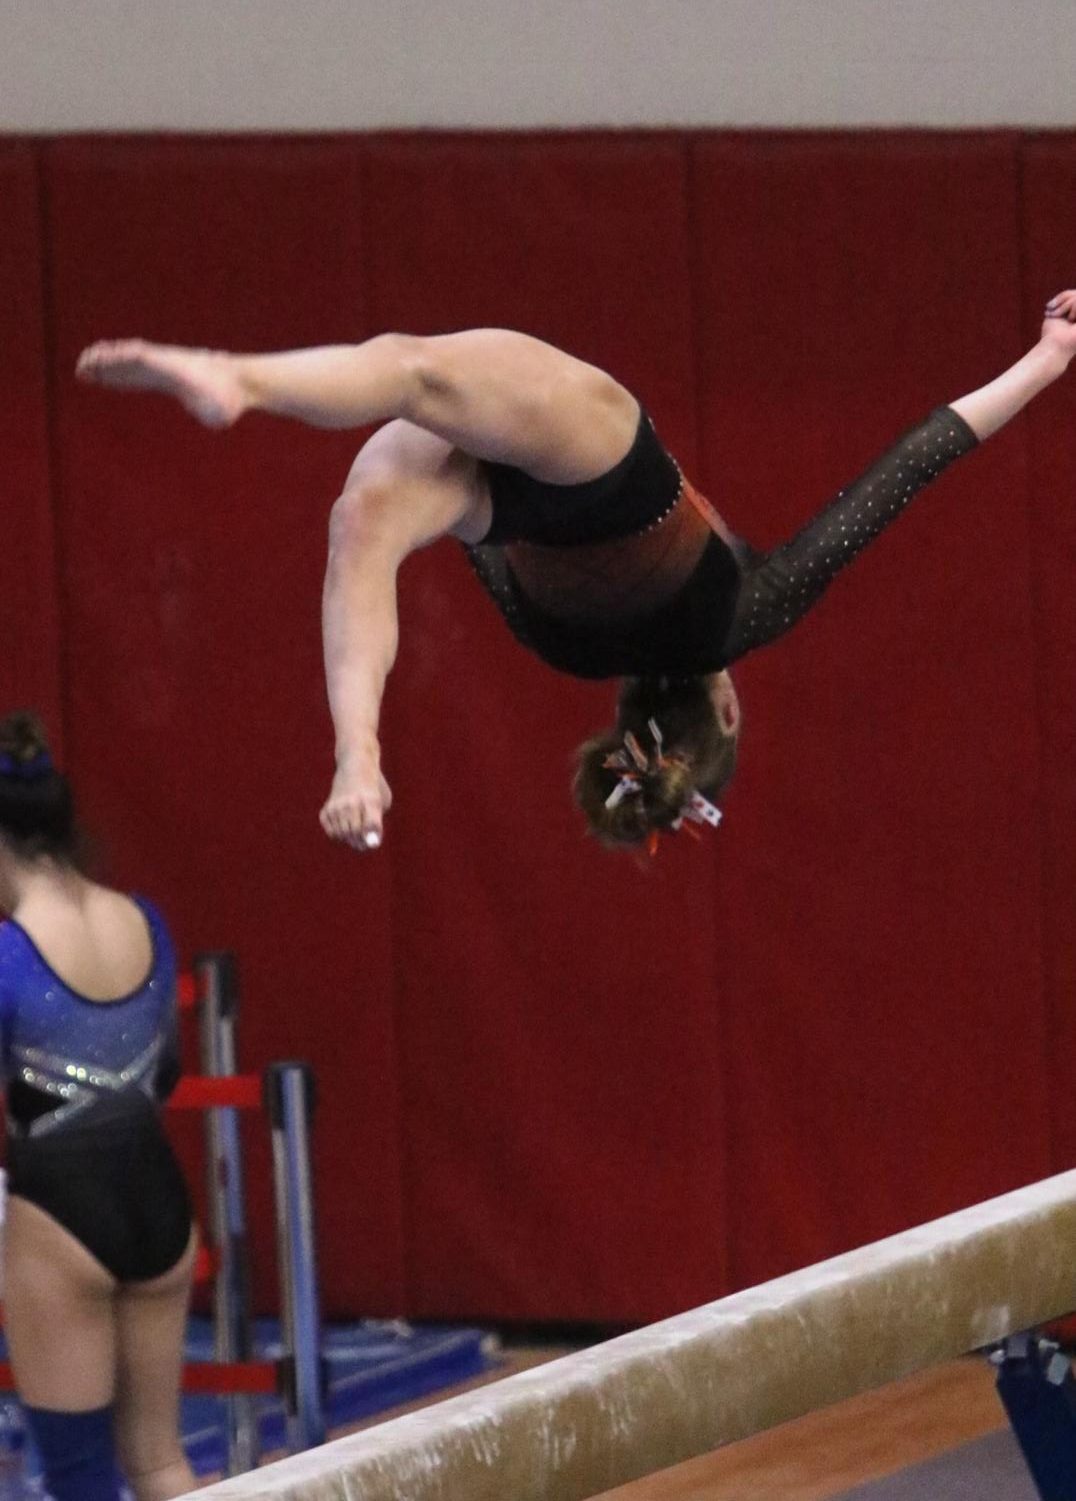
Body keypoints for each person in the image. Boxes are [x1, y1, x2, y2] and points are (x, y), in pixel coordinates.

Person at [77, 290, 1076, 854]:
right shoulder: (554, 647)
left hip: (611, 474)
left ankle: (245, 376)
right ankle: (357, 753)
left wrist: (1047, 356)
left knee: (413, 369)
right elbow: (477, 539)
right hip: (515, 515)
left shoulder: (746, 615)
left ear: (723, 713)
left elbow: (908, 465)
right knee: (367, 521)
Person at [0, 712, 196, 1501]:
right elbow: (169, 1070)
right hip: (159, 1202)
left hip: (62, 1217)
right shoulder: (142, 919)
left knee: (82, 1479)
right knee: (160, 1462)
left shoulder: (11, 952)